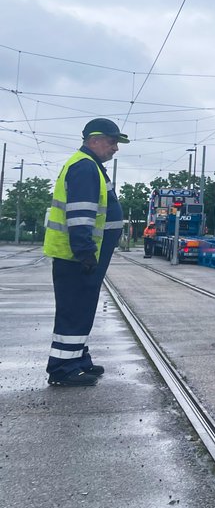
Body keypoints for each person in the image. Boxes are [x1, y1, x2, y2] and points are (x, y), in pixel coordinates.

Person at [42, 117, 128, 387]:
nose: (115, 148)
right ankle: (63, 368)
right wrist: (85, 252)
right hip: (76, 256)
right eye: (112, 142)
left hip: (80, 255)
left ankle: (77, 359)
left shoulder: (91, 167)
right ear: (95, 140)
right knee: (74, 309)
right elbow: (80, 216)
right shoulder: (84, 167)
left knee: (82, 308)